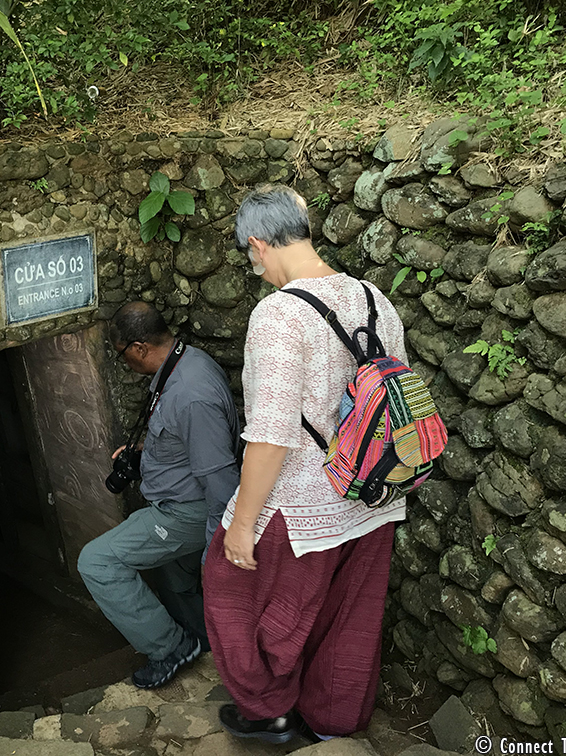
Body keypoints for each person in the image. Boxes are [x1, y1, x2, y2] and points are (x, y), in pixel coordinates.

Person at [204, 185, 408, 743]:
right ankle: (332, 727)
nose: (257, 271)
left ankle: (268, 708)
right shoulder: (374, 299)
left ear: (257, 244)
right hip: (375, 496)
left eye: (252, 261)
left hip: (303, 504)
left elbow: (271, 435)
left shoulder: (278, 314)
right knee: (348, 619)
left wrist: (241, 526)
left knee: (227, 588)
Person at [78, 302, 241, 689]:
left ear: (137, 348)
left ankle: (170, 648)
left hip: (187, 512)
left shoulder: (191, 394)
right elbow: (185, 443)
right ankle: (209, 643)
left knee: (97, 562)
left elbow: (220, 478)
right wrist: (143, 459)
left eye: (122, 357)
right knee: (174, 579)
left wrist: (217, 547)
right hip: (181, 498)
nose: (126, 365)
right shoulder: (188, 362)